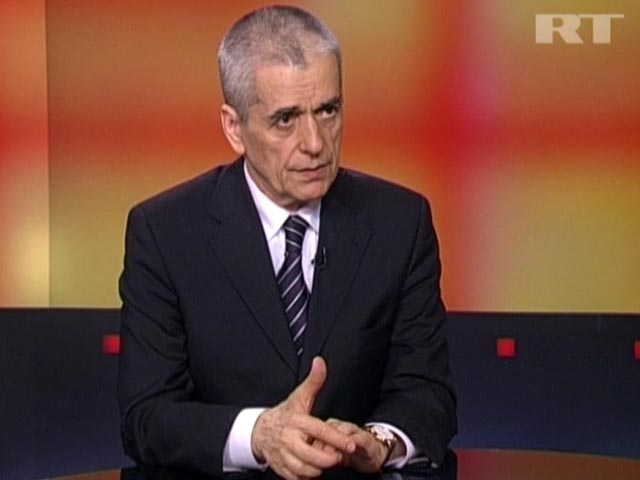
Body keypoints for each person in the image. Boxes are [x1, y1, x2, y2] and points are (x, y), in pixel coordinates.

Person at [117, 5, 456, 480]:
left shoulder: (401, 223)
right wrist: (259, 435)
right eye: (285, 120)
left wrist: (377, 441)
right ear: (234, 128)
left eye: (328, 110)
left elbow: (428, 394)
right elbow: (147, 416)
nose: (315, 143)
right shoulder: (165, 233)